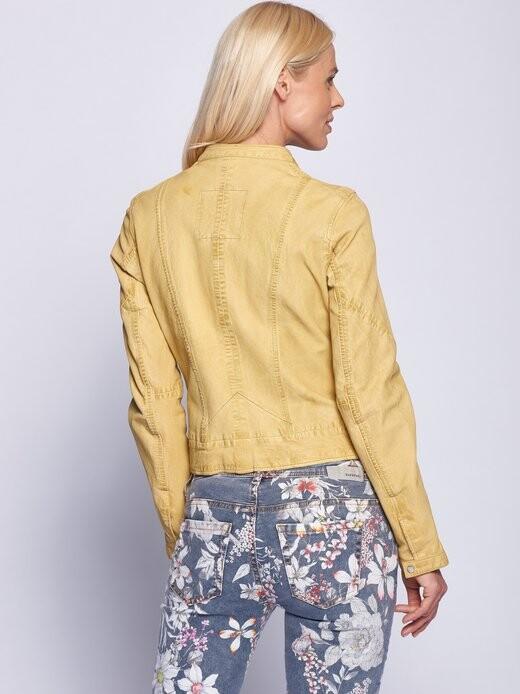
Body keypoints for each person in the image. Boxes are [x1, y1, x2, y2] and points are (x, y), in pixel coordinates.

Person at [109, 2, 449, 692]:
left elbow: (154, 405)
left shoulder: (149, 217)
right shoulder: (334, 214)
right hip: (334, 520)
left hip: (215, 510)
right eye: (330, 78)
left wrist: (192, 537)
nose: (338, 98)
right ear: (282, 82)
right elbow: (369, 389)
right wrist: (418, 544)